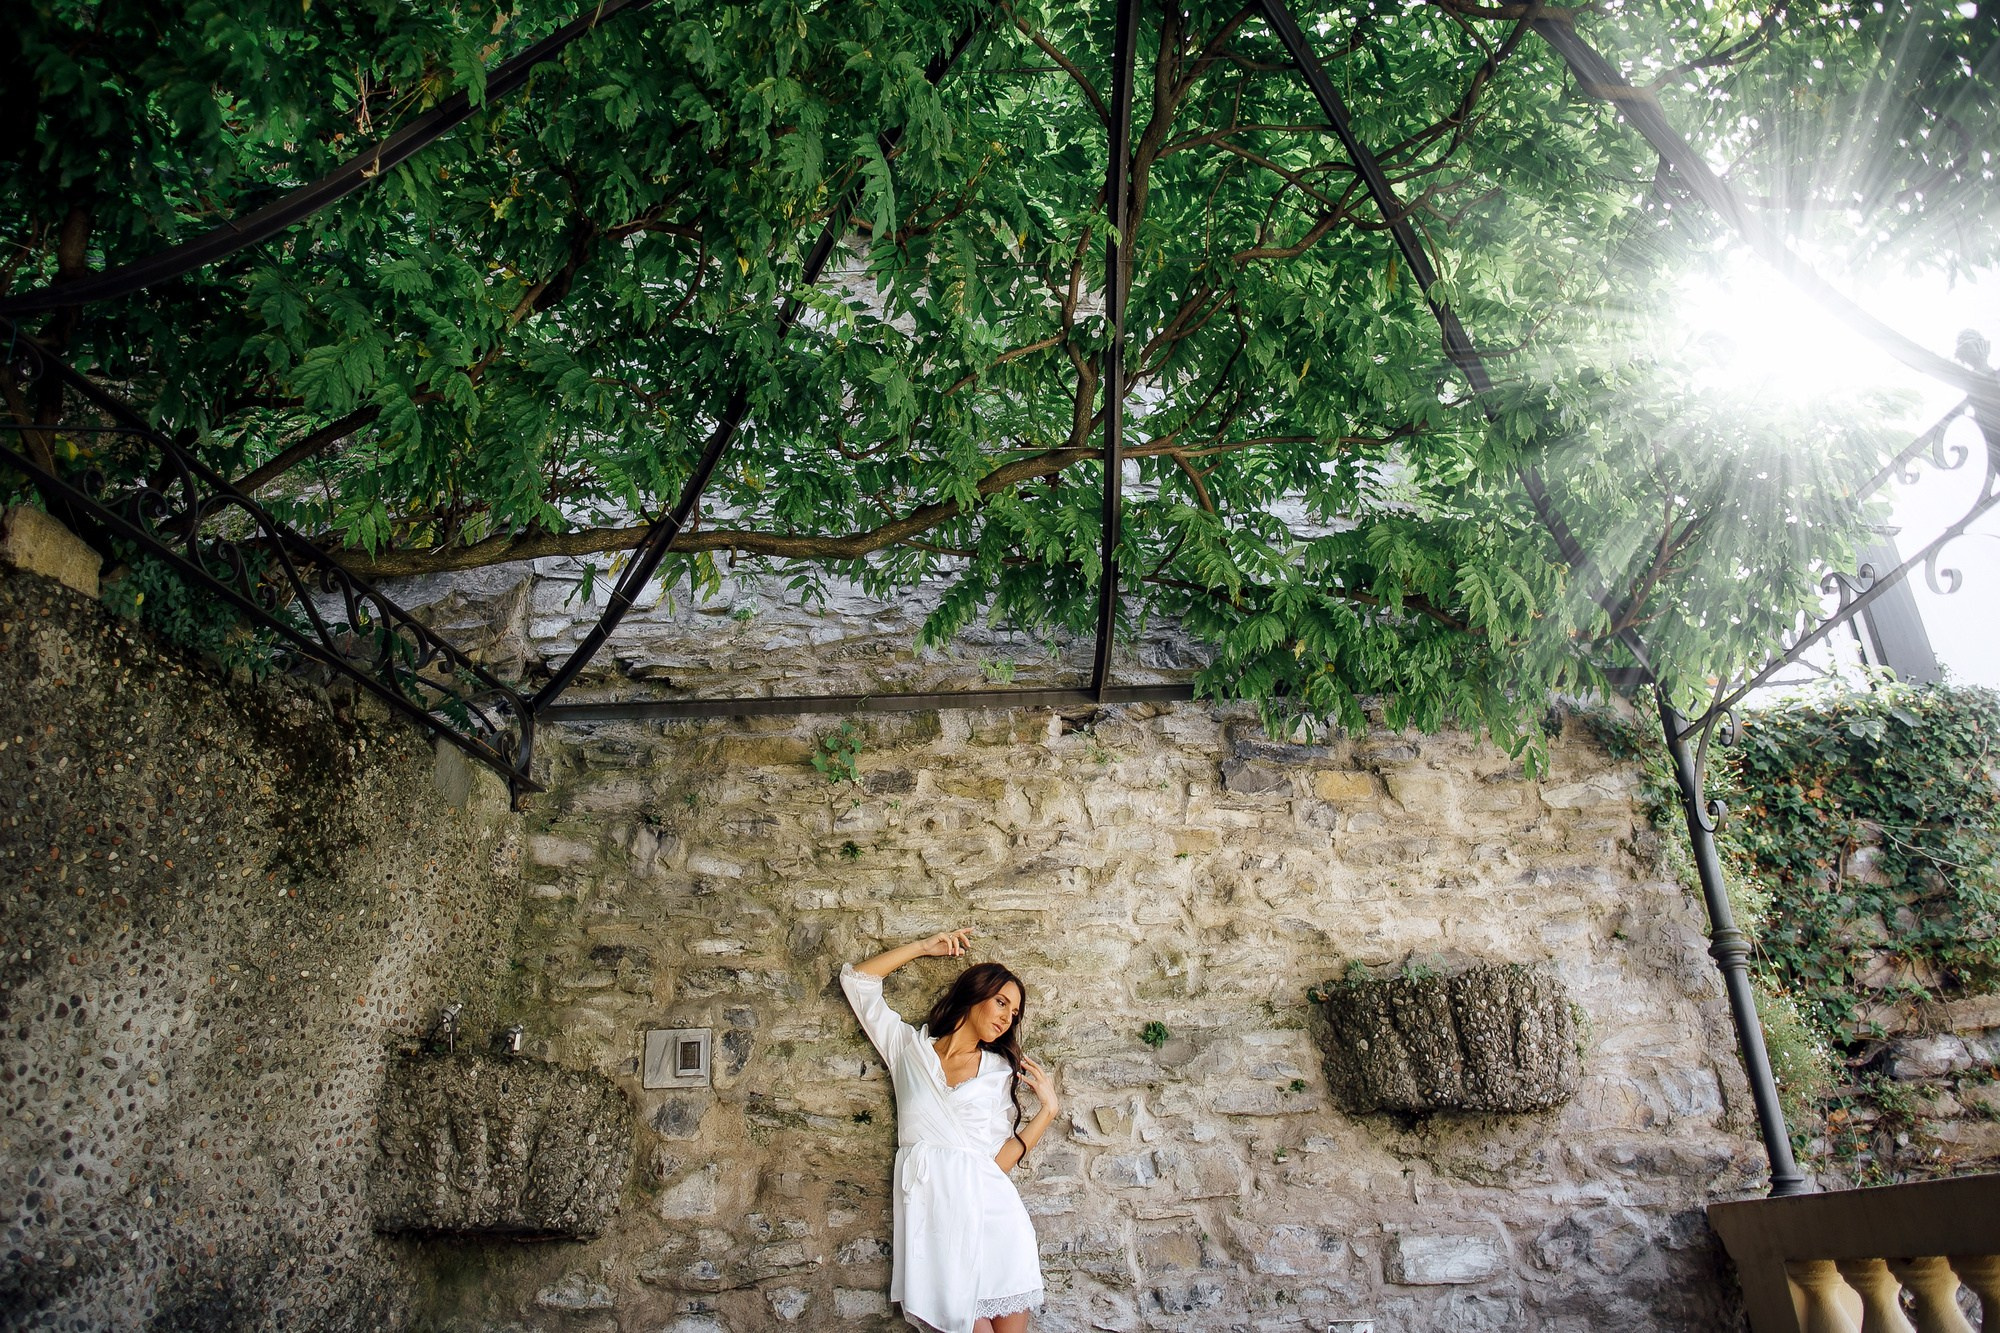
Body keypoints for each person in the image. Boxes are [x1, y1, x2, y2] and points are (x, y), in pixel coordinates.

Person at [840, 927, 1058, 1333]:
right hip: (939, 1226)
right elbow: (857, 981)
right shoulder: (909, 1051)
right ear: (975, 993)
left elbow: (997, 1164)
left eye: (1014, 1013)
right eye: (1001, 1002)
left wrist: (1047, 1111)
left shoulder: (997, 1073)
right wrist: (923, 948)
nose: (1007, 1016)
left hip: (995, 1221)